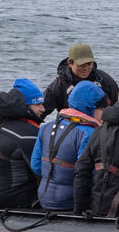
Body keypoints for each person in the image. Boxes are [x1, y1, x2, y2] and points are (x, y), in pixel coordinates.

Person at [32, 81, 105, 211]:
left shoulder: (45, 128)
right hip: (70, 202)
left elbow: (36, 165)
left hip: (44, 196)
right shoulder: (90, 133)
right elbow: (88, 176)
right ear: (91, 107)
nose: (104, 114)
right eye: (102, 109)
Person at [0, 90, 44, 208]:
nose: (43, 109)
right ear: (25, 107)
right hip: (12, 201)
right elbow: (40, 171)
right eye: (38, 105)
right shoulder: (27, 133)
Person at [42, 43, 118, 116]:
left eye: (89, 64)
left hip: (102, 126)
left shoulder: (103, 79)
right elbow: (40, 111)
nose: (86, 68)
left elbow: (118, 105)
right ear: (70, 63)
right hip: (71, 126)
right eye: (81, 64)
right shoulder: (59, 85)